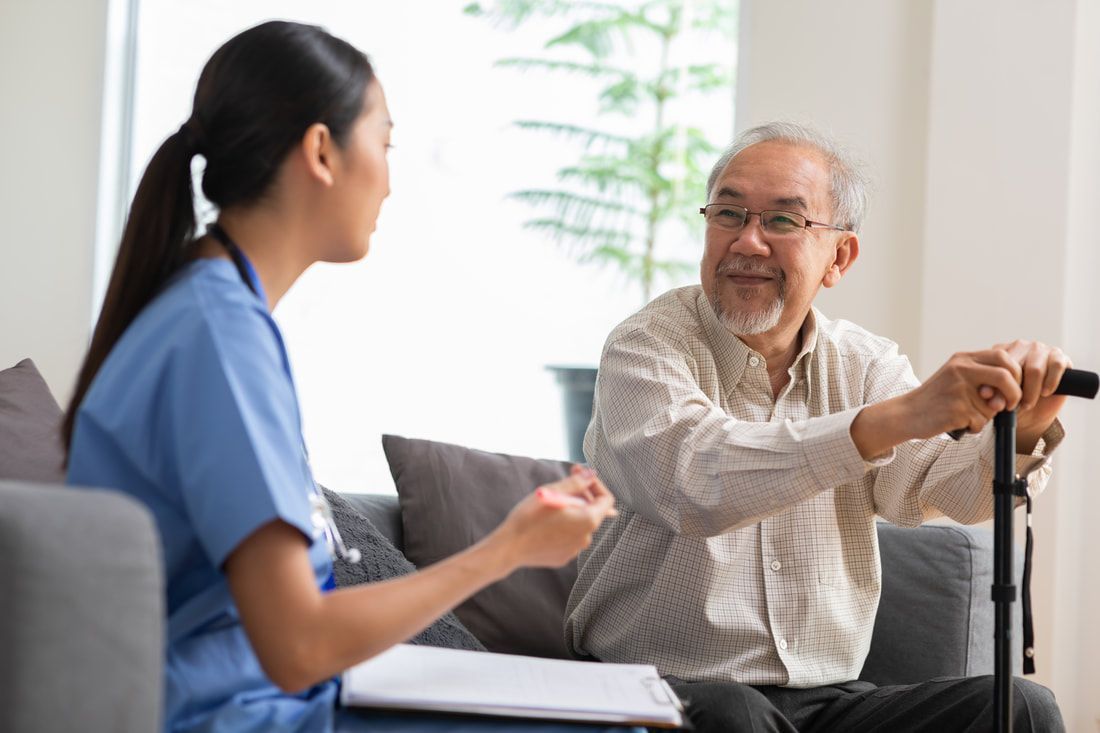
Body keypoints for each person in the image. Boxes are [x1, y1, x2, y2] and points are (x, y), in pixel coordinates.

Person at [63, 21, 621, 733]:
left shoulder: (208, 310)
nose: (389, 179)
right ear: (322, 151)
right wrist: (508, 549)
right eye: (384, 143)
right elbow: (298, 645)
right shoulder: (218, 336)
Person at [563, 121, 1069, 732]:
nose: (747, 241)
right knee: (733, 713)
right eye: (728, 214)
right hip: (661, 691)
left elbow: (937, 487)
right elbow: (695, 480)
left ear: (840, 257)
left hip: (827, 701)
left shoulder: (865, 363)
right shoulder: (646, 345)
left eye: (783, 221)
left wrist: (1023, 428)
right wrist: (895, 419)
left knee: (1020, 707)